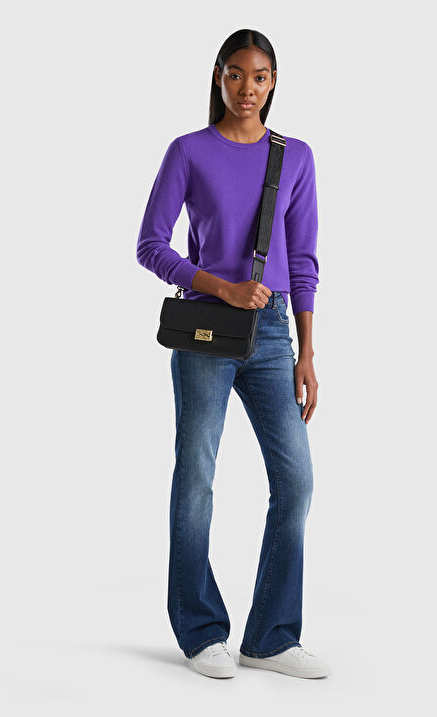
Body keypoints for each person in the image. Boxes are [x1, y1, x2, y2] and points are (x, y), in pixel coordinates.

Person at [136, 29, 331, 680]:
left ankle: (270, 637)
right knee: (196, 477)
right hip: (205, 331)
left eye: (261, 76)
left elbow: (302, 260)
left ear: (274, 83)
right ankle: (199, 630)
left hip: (273, 334)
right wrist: (220, 286)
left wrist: (307, 351)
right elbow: (150, 244)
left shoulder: (294, 156)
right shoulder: (188, 151)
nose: (248, 88)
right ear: (219, 76)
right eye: (237, 74)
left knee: (296, 480)